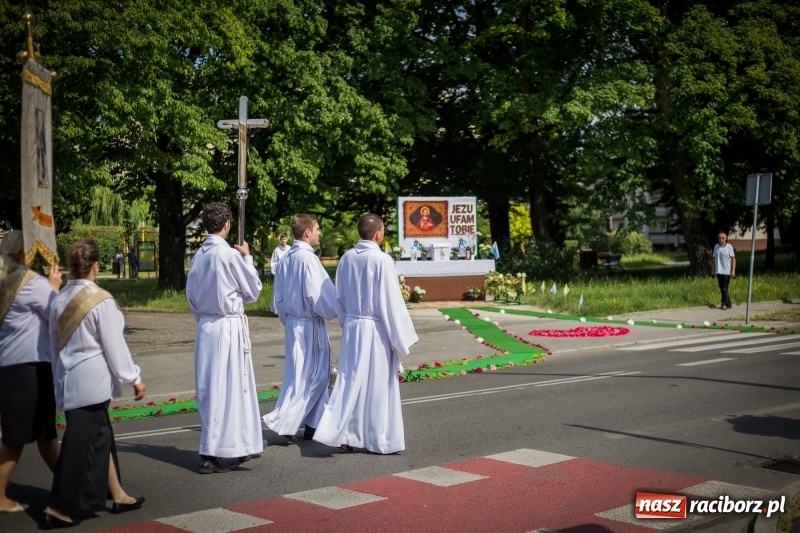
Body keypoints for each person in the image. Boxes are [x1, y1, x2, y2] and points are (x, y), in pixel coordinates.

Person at [44, 239, 146, 528]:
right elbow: (115, 347)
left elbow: (53, 347)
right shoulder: (101, 300)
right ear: (96, 266)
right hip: (94, 381)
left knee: (101, 435)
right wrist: (134, 377)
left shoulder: (59, 300)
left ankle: (118, 495)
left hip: (69, 378)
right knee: (78, 446)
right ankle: (59, 505)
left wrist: (57, 381)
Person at [314, 213, 418, 454]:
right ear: (379, 233)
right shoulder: (382, 260)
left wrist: (348, 321)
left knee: (351, 381)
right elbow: (391, 303)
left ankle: (348, 434)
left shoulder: (346, 259)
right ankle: (377, 438)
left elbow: (338, 297)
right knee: (378, 384)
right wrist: (400, 338)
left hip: (353, 326)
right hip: (376, 328)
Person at [185, 202, 263, 474]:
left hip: (207, 326)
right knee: (229, 390)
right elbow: (253, 290)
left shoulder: (198, 255)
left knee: (212, 390)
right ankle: (210, 452)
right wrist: (247, 258)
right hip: (228, 327)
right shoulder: (228, 255)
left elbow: (191, 296)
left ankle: (233, 446)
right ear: (227, 225)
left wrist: (206, 318)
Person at [0, 231, 61, 513]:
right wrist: (54, 286)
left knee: (45, 434)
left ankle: (70, 483)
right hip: (31, 367)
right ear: (23, 252)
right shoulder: (30, 282)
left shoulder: (5, 280)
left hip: (11, 365)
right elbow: (57, 314)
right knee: (18, 437)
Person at [263, 214, 335, 443]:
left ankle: (314, 423)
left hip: (294, 322)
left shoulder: (287, 258)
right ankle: (285, 421)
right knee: (316, 375)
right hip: (308, 324)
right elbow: (318, 294)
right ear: (307, 232)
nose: (319, 232)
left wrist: (289, 319)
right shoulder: (307, 259)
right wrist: (330, 311)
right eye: (317, 228)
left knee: (299, 374)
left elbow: (279, 298)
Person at [712, 231, 736, 310]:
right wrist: (713, 270)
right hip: (719, 270)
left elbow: (733, 259)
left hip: (726, 271)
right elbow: (714, 259)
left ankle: (724, 303)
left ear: (726, 239)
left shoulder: (729, 247)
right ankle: (728, 303)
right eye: (719, 238)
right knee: (722, 287)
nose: (721, 239)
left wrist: (733, 270)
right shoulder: (716, 246)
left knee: (725, 288)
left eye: (723, 238)